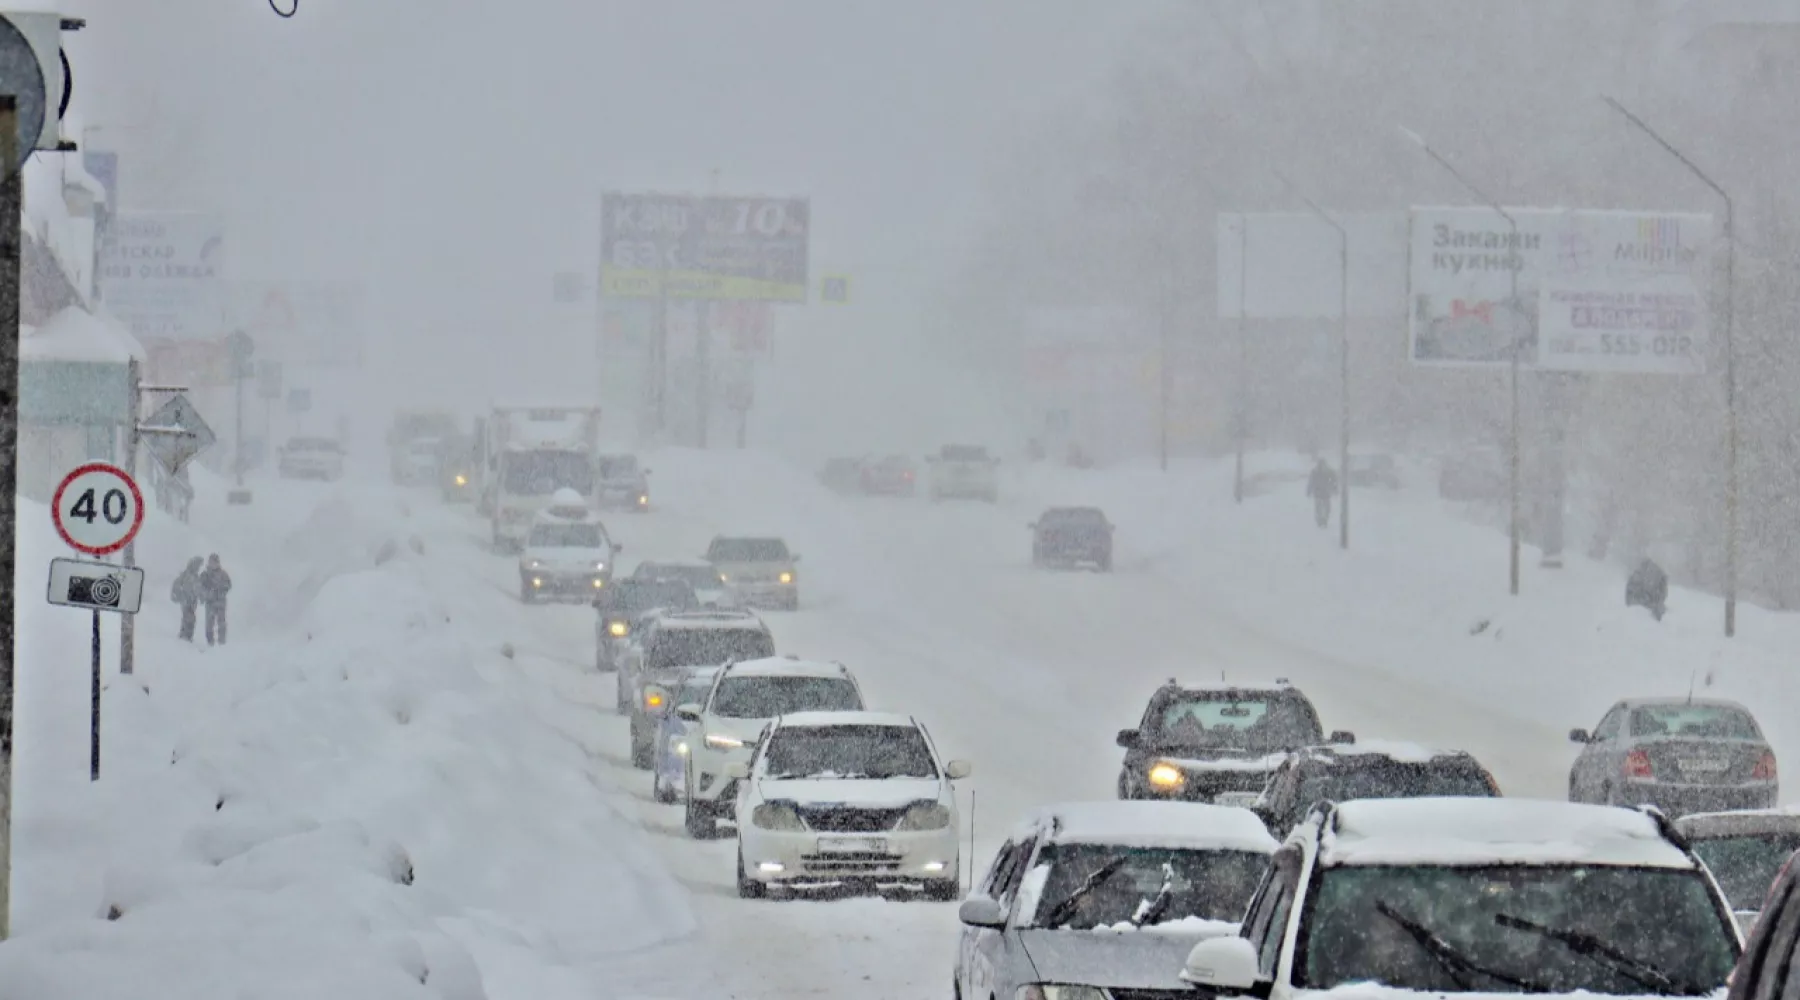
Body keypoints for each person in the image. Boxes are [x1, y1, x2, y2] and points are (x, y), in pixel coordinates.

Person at [200, 554, 233, 646]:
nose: (213, 564)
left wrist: (220, 590)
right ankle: (210, 642)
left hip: (220, 602)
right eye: (211, 562)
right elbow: (200, 587)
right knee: (209, 624)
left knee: (221, 623)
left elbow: (229, 585)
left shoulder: (223, 574)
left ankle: (221, 642)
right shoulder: (205, 574)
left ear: (218, 563)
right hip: (210, 603)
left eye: (214, 562)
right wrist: (207, 593)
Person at [170, 557, 203, 642]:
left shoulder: (195, 576)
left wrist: (201, 597)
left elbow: (199, 589)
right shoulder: (186, 575)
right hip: (186, 601)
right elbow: (177, 585)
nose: (198, 568)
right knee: (189, 618)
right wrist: (178, 596)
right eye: (197, 566)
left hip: (192, 602)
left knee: (190, 618)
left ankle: (186, 636)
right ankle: (185, 636)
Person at [1307, 459, 1339, 529]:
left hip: (1318, 492)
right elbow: (1334, 481)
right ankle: (1324, 520)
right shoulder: (1329, 471)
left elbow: (1311, 482)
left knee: (1320, 507)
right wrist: (1335, 489)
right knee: (1326, 507)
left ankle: (1320, 520)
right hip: (1325, 492)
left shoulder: (1314, 471)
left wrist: (1309, 491)